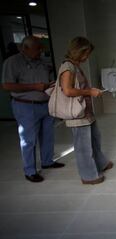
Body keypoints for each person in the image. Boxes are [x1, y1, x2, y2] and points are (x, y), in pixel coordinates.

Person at [1, 36, 64, 183]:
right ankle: (30, 171)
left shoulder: (41, 62)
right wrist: (34, 87)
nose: (40, 51)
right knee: (28, 140)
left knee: (48, 135)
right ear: (25, 48)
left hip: (45, 104)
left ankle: (47, 161)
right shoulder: (12, 62)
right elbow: (7, 85)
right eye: (37, 49)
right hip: (25, 106)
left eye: (41, 48)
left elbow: (44, 83)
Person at [59, 37, 113, 185]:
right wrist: (90, 92)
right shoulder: (67, 67)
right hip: (77, 113)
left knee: (95, 137)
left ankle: (101, 163)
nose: (87, 56)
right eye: (86, 53)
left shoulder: (75, 65)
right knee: (83, 145)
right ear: (78, 51)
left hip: (85, 110)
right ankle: (88, 176)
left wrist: (90, 92)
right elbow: (67, 91)